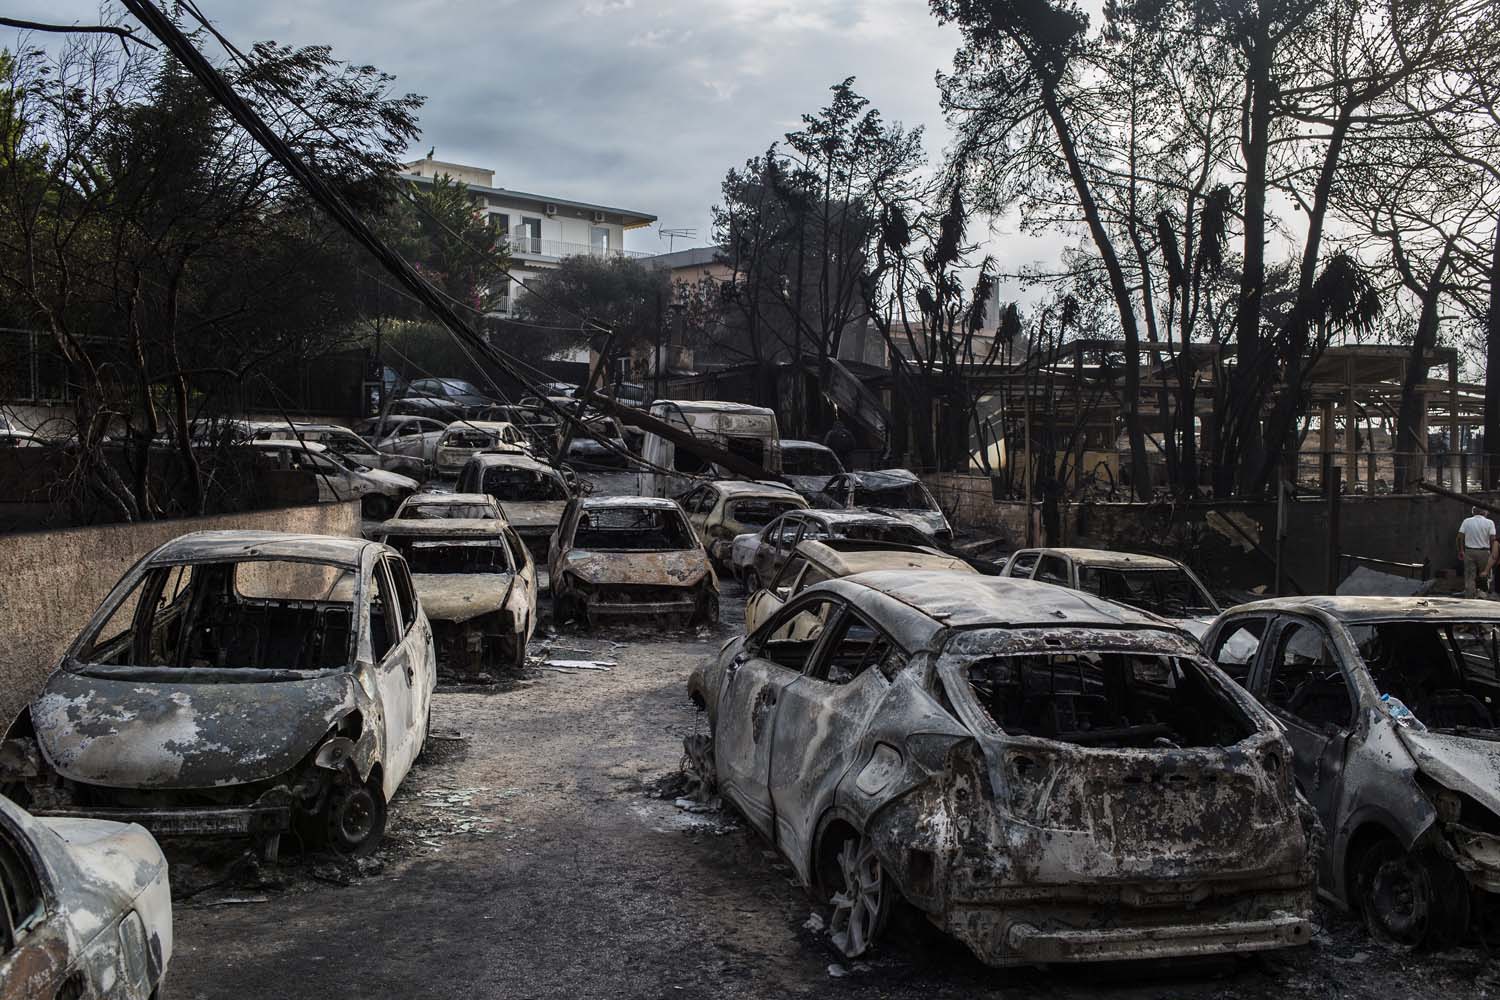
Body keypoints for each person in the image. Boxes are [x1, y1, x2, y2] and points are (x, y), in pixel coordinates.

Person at [1457, 505, 1497, 599]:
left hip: (1469, 551)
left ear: (1473, 512)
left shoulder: (1466, 521)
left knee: (1470, 576)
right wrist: (1492, 551)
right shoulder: (1489, 522)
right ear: (1484, 512)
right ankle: (1483, 596)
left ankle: (1470, 597)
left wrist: (1461, 550)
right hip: (1484, 552)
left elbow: (1459, 537)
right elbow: (1493, 538)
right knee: (1484, 574)